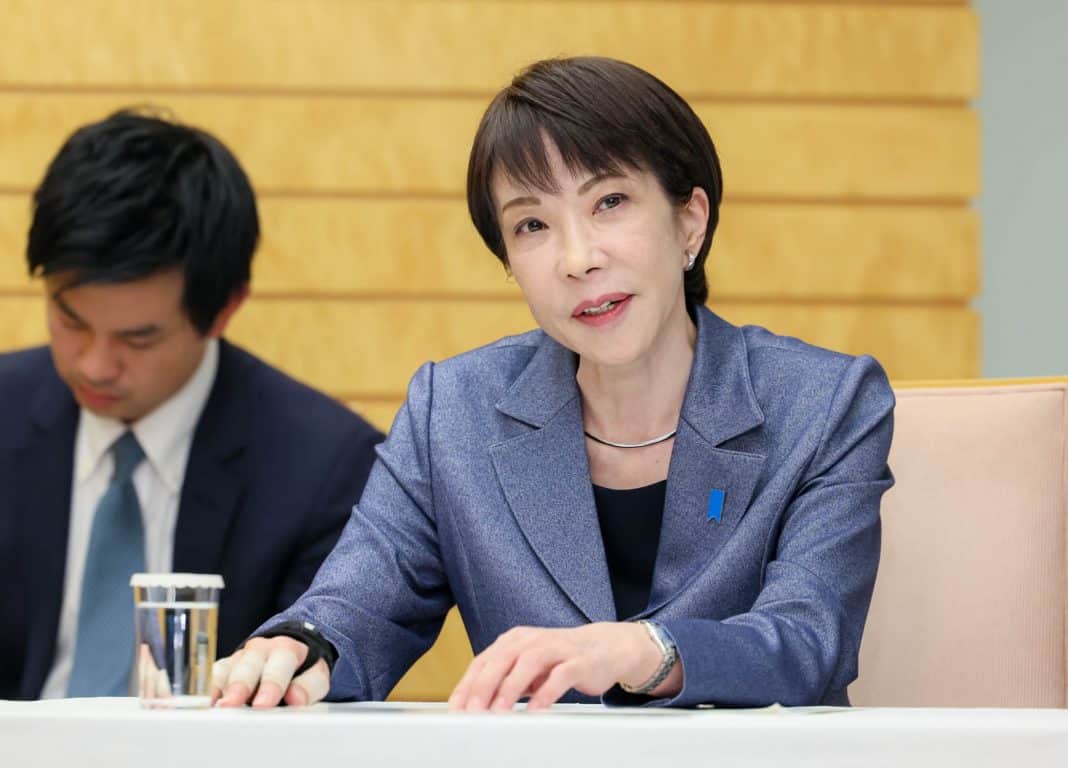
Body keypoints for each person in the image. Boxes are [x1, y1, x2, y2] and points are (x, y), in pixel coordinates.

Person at [212, 56, 894, 711]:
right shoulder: (454, 410)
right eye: (532, 224)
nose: (577, 259)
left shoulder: (825, 403)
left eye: (610, 202)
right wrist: (298, 650)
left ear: (690, 219)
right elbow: (355, 605)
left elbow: (808, 639)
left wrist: (641, 651)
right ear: (509, 261)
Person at [0, 109, 383, 700]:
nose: (94, 364)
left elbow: (305, 697)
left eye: (138, 339)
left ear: (225, 309)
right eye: (70, 321)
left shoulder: (324, 469)